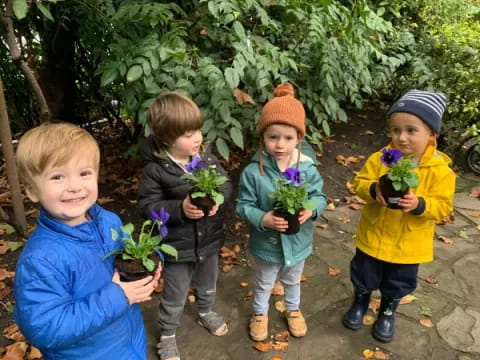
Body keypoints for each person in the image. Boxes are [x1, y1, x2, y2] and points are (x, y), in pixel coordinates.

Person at [14, 122, 160, 360]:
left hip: (129, 341)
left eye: (84, 173)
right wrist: (118, 297)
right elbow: (45, 329)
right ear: (32, 190)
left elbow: (132, 254)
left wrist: (153, 262)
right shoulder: (41, 260)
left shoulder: (107, 221)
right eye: (57, 177)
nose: (74, 186)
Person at [342, 90, 455, 342]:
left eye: (411, 130)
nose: (401, 138)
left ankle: (388, 311)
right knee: (363, 273)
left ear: (432, 134)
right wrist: (373, 189)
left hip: (408, 245)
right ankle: (360, 302)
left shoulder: (440, 172)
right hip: (373, 235)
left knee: (398, 282)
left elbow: (444, 207)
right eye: (395, 130)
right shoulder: (381, 158)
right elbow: (359, 183)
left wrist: (420, 204)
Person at [137, 92, 232, 360]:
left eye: (198, 130)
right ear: (167, 137)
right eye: (188, 134)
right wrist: (180, 209)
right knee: (175, 291)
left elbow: (224, 183)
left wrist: (218, 199)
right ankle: (167, 334)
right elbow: (148, 205)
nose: (197, 138)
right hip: (177, 245)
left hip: (209, 239)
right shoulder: (155, 170)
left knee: (208, 281)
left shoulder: (205, 158)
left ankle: (205, 311)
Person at [236, 83, 327, 342]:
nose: (279, 144)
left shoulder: (306, 168)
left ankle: (293, 309)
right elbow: (243, 205)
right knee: (264, 282)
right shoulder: (254, 172)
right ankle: (259, 313)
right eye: (272, 137)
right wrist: (262, 218)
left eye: (288, 138)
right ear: (263, 137)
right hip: (267, 242)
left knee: (293, 279)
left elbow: (319, 196)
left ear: (299, 138)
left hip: (298, 241)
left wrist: (310, 211)